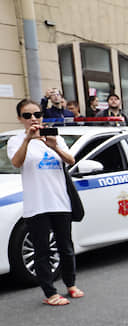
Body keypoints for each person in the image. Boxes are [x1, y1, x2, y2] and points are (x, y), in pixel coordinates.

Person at [7, 99, 83, 306]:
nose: (33, 119)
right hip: (37, 204)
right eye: (27, 115)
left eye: (37, 115)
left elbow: (71, 160)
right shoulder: (17, 140)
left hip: (60, 202)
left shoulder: (53, 135)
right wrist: (28, 140)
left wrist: (55, 146)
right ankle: (50, 292)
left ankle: (71, 284)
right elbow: (16, 162)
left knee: (65, 247)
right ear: (20, 118)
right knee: (42, 251)